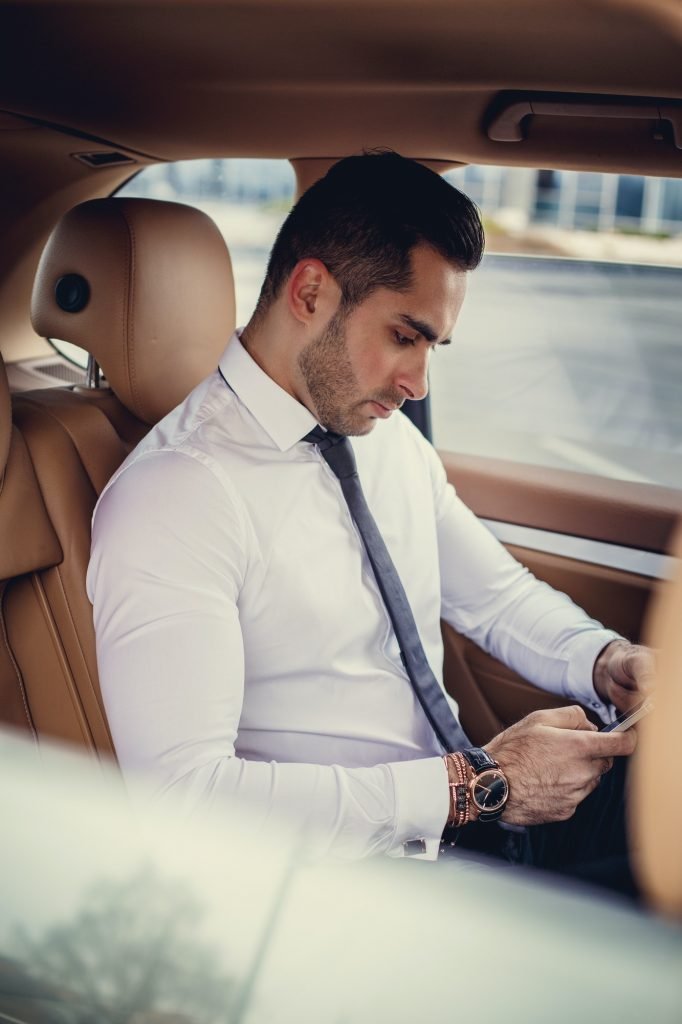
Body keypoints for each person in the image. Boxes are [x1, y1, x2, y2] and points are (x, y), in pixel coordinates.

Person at [87, 152, 654, 889]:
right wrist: (473, 785)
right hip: (360, 885)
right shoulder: (177, 496)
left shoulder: (386, 440)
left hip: (476, 828)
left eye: (432, 347)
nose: (418, 383)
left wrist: (606, 663)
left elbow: (494, 597)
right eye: (405, 336)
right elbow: (186, 799)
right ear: (312, 291)